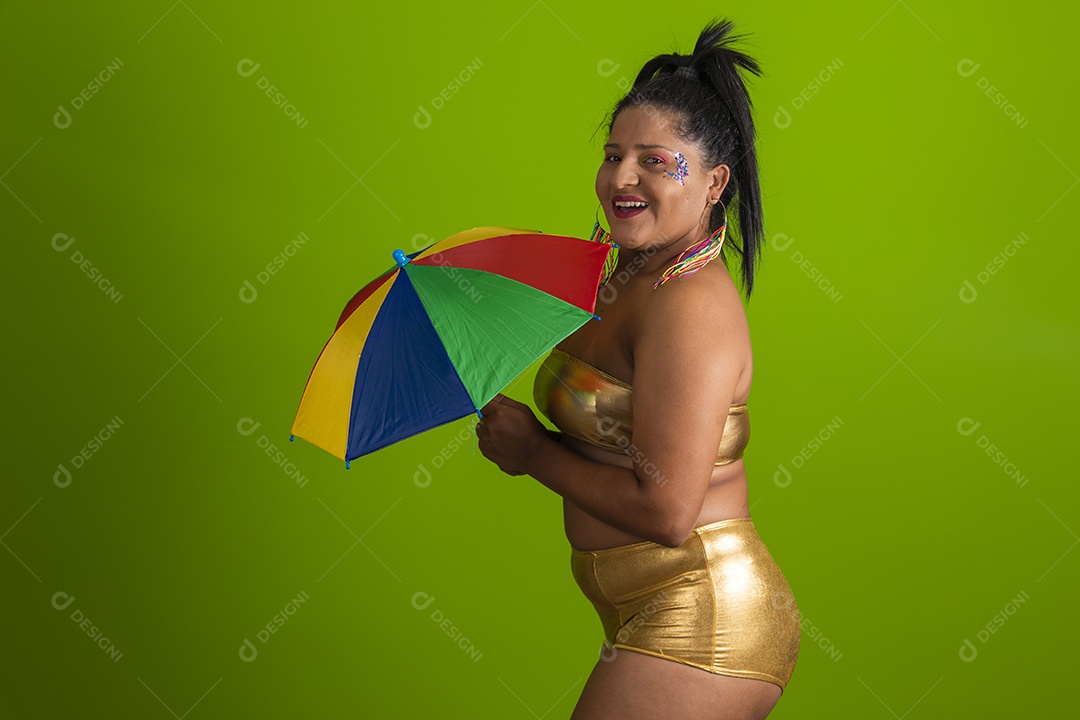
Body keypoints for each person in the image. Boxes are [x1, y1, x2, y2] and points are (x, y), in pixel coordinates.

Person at [475, 17, 799, 720]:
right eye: (613, 154)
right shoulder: (626, 276)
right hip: (637, 610)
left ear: (714, 182)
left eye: (655, 160)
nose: (621, 177)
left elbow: (667, 510)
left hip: (702, 616)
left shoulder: (690, 309)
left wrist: (533, 451)